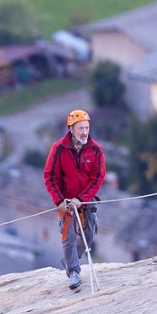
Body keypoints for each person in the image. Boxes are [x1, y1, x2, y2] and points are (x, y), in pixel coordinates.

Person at [43, 108, 105, 290]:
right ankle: (74, 272)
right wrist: (60, 201)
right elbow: (50, 176)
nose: (85, 132)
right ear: (71, 129)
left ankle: (70, 260)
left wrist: (82, 198)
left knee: (88, 234)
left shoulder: (96, 150)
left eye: (86, 128)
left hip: (86, 200)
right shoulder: (59, 149)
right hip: (65, 201)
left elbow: (98, 177)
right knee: (68, 237)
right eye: (80, 128)